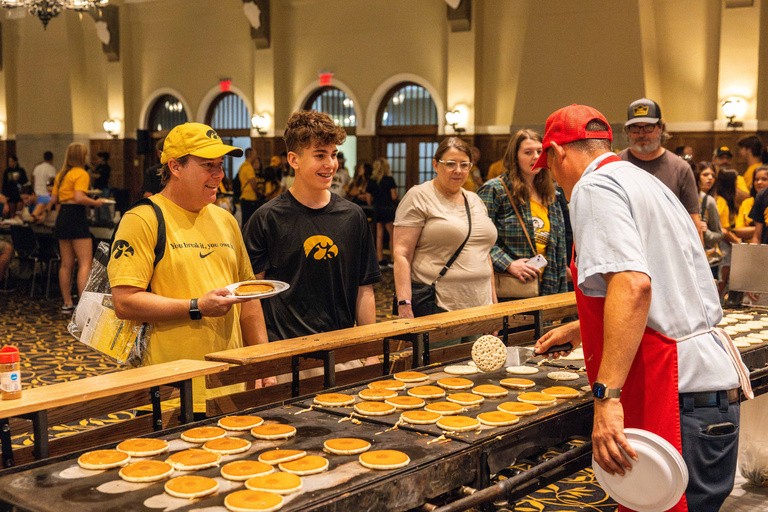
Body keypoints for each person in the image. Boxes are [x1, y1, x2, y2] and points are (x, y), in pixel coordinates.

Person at [534, 104, 751, 512]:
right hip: (708, 387)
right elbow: (671, 282)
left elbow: (633, 286)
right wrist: (581, 328)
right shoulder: (643, 181)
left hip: (676, 388)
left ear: (556, 154)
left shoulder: (594, 188)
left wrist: (606, 398)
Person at [108, 122, 267, 415]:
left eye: (220, 165)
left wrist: (262, 361)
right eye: (208, 165)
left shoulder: (225, 220)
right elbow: (124, 302)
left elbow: (249, 298)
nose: (218, 174)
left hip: (228, 385)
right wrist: (196, 306)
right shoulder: (142, 219)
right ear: (175, 167)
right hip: (170, 390)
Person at [243, 111, 381, 360]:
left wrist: (369, 350)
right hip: (284, 352)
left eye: (334, 154)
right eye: (320, 155)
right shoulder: (267, 218)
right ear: (294, 160)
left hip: (342, 349)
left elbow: (365, 288)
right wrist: (260, 356)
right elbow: (251, 298)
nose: (330, 164)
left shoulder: (353, 216)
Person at [392, 137, 497, 345]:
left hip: (480, 304)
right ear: (435, 164)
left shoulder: (475, 200)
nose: (458, 170)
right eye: (450, 163)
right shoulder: (419, 196)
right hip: (440, 305)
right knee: (442, 374)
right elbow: (402, 254)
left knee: (477, 372)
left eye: (464, 164)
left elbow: (484, 255)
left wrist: (494, 304)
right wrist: (404, 304)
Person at [477, 129, 568, 299]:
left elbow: (558, 248)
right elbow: (477, 238)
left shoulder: (551, 194)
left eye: (540, 152)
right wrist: (507, 264)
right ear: (515, 158)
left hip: (548, 285)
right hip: (510, 286)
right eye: (528, 152)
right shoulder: (495, 190)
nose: (535, 157)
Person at [618, 98, 701, 230]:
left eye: (648, 127)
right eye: (635, 128)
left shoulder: (680, 168)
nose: (641, 134)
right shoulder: (615, 164)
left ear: (661, 127)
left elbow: (693, 220)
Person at [49, 143, 105, 313]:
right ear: (81, 157)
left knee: (66, 264)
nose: (87, 158)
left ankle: (67, 303)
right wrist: (96, 202)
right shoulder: (81, 173)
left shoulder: (61, 174)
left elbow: (54, 198)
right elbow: (79, 197)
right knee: (85, 262)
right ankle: (83, 305)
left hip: (63, 216)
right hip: (76, 216)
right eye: (86, 155)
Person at [366, 157, 398, 268]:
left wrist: (371, 205)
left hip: (377, 208)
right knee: (392, 235)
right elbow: (394, 196)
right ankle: (393, 259)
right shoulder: (389, 179)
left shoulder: (372, 180)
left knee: (378, 235)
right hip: (388, 208)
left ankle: (379, 260)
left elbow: (368, 196)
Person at [695, 162, 724, 280]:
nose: (710, 178)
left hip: (707, 261)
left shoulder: (708, 200)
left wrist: (705, 232)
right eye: (705, 174)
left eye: (712, 175)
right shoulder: (681, 197)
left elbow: (719, 234)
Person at [735, 165, 768, 242]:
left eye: (764, 179)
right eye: (756, 179)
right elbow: (757, 235)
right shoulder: (760, 197)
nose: (759, 182)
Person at [238, 148, 266, 226]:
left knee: (245, 221)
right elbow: (253, 183)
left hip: (244, 197)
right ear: (251, 155)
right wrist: (259, 194)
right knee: (250, 223)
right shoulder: (248, 167)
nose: (256, 156)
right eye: (255, 154)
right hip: (250, 198)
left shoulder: (242, 166)